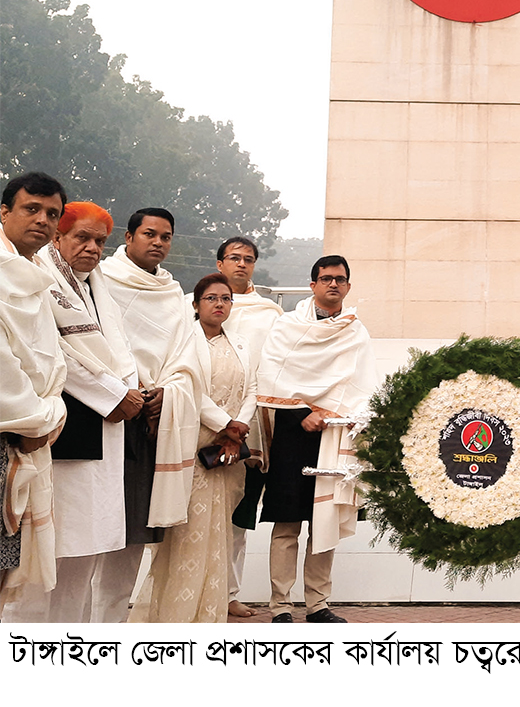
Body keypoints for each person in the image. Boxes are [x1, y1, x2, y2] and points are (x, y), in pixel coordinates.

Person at [5, 202, 144, 623]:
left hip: (106, 429)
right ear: (58, 237)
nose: (91, 248)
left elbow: (117, 350)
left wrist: (130, 390)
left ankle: (76, 644)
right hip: (61, 427)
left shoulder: (95, 286)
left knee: (86, 552)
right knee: (48, 553)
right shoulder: (40, 280)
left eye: (100, 241)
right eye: (81, 237)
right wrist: (113, 394)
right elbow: (53, 352)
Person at [131, 274, 260, 622]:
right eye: (211, 298)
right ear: (196, 304)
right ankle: (175, 617)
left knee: (221, 534)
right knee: (190, 532)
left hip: (228, 452)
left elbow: (252, 390)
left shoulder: (242, 345)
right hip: (195, 446)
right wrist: (224, 424)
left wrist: (238, 429)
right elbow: (187, 390)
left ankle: (209, 616)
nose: (220, 304)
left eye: (226, 298)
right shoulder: (183, 342)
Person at [257, 255, 378, 623]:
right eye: (326, 278)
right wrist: (302, 414)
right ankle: (280, 606)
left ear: (348, 286)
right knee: (288, 524)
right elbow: (272, 376)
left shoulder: (355, 331)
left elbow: (361, 386)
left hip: (335, 437)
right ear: (312, 285)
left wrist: (331, 414)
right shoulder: (288, 327)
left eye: (340, 279)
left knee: (324, 520)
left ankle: (318, 605)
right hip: (293, 434)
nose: (333, 285)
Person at [99, 208, 204, 621]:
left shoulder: (174, 297)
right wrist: (122, 390)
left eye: (166, 236)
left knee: (133, 537)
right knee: (94, 533)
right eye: (149, 233)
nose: (158, 242)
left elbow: (186, 358)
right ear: (128, 237)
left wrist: (168, 391)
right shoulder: (101, 282)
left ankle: (111, 627)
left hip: (152, 425)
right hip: (106, 416)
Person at [0, 173, 68, 606]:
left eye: (52, 214)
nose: (43, 220)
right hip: (15, 430)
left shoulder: (37, 277)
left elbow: (52, 363)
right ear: (3, 212)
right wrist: (40, 418)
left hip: (24, 440)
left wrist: (49, 413)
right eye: (31, 209)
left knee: (5, 568)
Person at [216, 235, 283, 618]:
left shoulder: (269, 314)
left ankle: (228, 594)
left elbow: (274, 369)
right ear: (221, 263)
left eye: (248, 259)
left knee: (239, 515)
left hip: (252, 428)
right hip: (209, 422)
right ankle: (198, 589)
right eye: (234, 258)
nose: (241, 264)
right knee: (203, 513)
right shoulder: (204, 304)